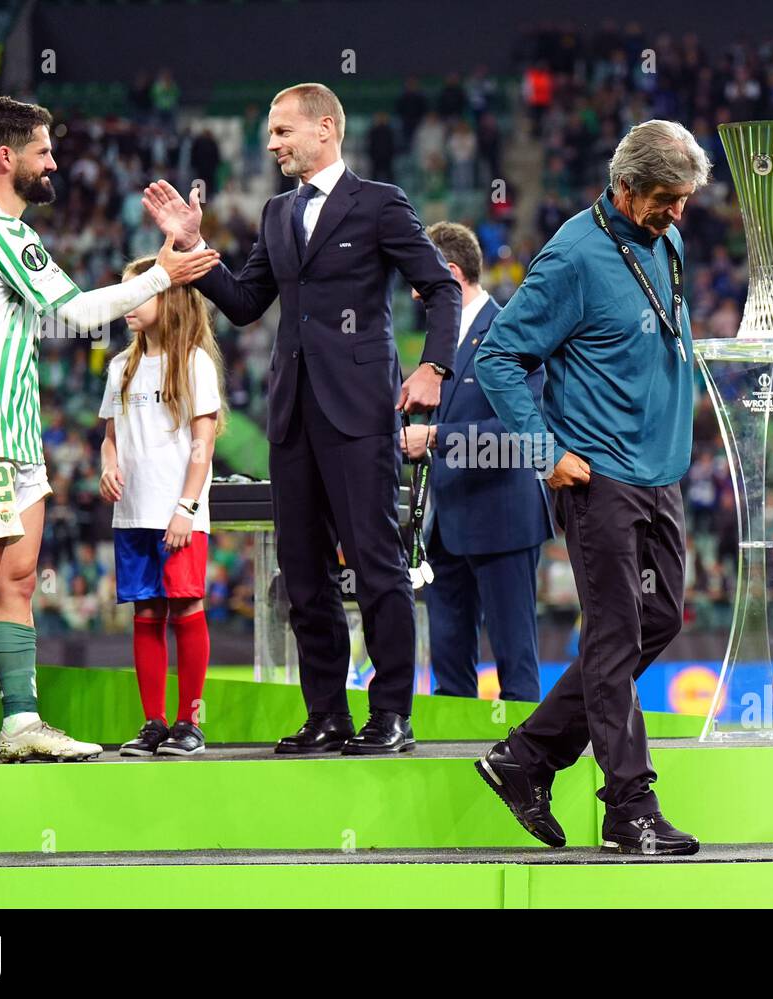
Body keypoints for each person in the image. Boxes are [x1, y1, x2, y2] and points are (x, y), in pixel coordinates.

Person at [0, 96, 220, 764]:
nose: (54, 161)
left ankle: (21, 720)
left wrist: (164, 267)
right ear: (8, 158)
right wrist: (161, 273)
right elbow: (78, 311)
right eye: (42, 150)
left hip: (12, 423)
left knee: (19, 577)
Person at [143, 83, 460, 755]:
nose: (272, 143)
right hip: (293, 413)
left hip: (359, 412)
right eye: (270, 132)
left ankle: (392, 716)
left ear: (324, 130)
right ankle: (327, 715)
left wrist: (433, 365)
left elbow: (439, 287)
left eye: (283, 131)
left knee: (376, 563)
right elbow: (245, 301)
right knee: (304, 570)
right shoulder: (276, 213)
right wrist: (196, 250)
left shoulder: (379, 203)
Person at [473, 120, 710, 856]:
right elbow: (498, 356)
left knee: (659, 619)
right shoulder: (573, 255)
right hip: (599, 477)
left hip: (660, 472)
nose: (678, 212)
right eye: (667, 198)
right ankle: (629, 808)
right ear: (625, 187)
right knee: (613, 637)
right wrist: (545, 450)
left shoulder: (666, 239)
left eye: (686, 199)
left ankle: (527, 756)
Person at [402, 222, 553, 702]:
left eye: (419, 280)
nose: (411, 292)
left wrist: (436, 438)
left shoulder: (512, 332)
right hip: (444, 528)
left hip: (502, 519)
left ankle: (528, 769)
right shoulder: (433, 345)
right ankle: (450, 768)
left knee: (516, 666)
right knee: (449, 672)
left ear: (449, 274)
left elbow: (518, 436)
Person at [99, 255, 224, 757]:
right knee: (146, 612)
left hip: (179, 513)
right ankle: (153, 723)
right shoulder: (118, 366)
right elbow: (109, 437)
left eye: (138, 294)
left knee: (187, 606)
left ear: (168, 297)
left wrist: (186, 508)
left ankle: (188, 724)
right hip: (132, 511)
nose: (127, 303)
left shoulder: (193, 361)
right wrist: (108, 464)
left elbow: (205, 442)